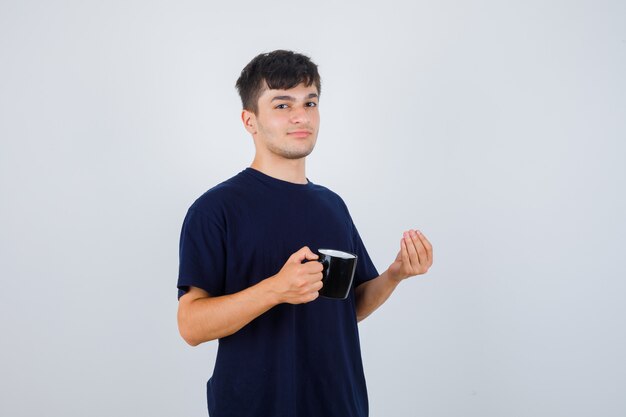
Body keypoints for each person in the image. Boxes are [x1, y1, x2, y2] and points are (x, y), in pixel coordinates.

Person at [177, 50, 433, 417]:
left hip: (340, 405)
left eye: (309, 102)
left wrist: (396, 274)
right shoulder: (215, 209)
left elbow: (349, 307)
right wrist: (277, 289)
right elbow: (190, 326)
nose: (301, 116)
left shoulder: (332, 205)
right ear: (249, 120)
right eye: (282, 105)